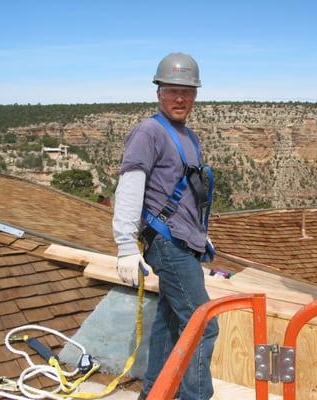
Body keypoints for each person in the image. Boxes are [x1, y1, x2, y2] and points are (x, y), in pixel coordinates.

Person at [112, 52, 219, 400]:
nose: (180, 98)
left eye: (187, 92)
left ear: (195, 96)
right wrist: (126, 245)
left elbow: (187, 194)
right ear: (158, 92)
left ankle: (154, 393)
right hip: (167, 244)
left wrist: (202, 237)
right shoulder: (149, 132)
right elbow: (130, 186)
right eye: (172, 90)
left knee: (169, 322)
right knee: (203, 326)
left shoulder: (189, 136)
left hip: (184, 242)